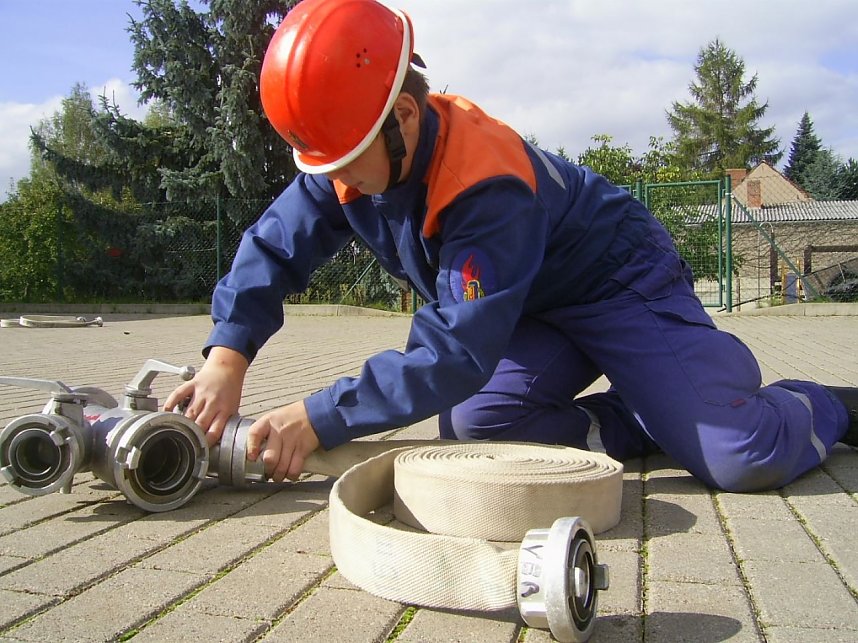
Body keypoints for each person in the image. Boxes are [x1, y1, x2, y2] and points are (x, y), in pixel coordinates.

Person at [166, 0, 857, 489]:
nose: (333, 181)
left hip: (618, 282)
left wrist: (317, 417)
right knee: (479, 430)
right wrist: (227, 358)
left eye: (342, 162)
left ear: (403, 117)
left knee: (741, 457)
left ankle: (820, 402)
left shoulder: (484, 182)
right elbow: (275, 244)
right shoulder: (353, 154)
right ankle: (649, 415)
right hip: (529, 301)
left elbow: (455, 354)